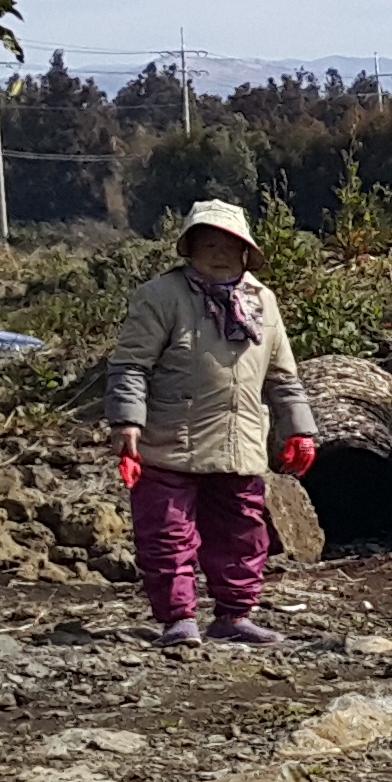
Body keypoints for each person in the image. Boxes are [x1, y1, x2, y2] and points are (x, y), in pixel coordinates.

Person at [105, 197, 317, 648]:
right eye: (206, 244)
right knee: (166, 536)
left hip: (239, 446)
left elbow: (283, 376)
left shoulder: (263, 301)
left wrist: (300, 429)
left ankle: (235, 616)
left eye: (228, 244)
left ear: (245, 251)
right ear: (189, 249)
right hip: (168, 444)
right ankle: (179, 619)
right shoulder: (160, 297)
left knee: (243, 533)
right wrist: (128, 424)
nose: (217, 253)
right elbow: (130, 366)